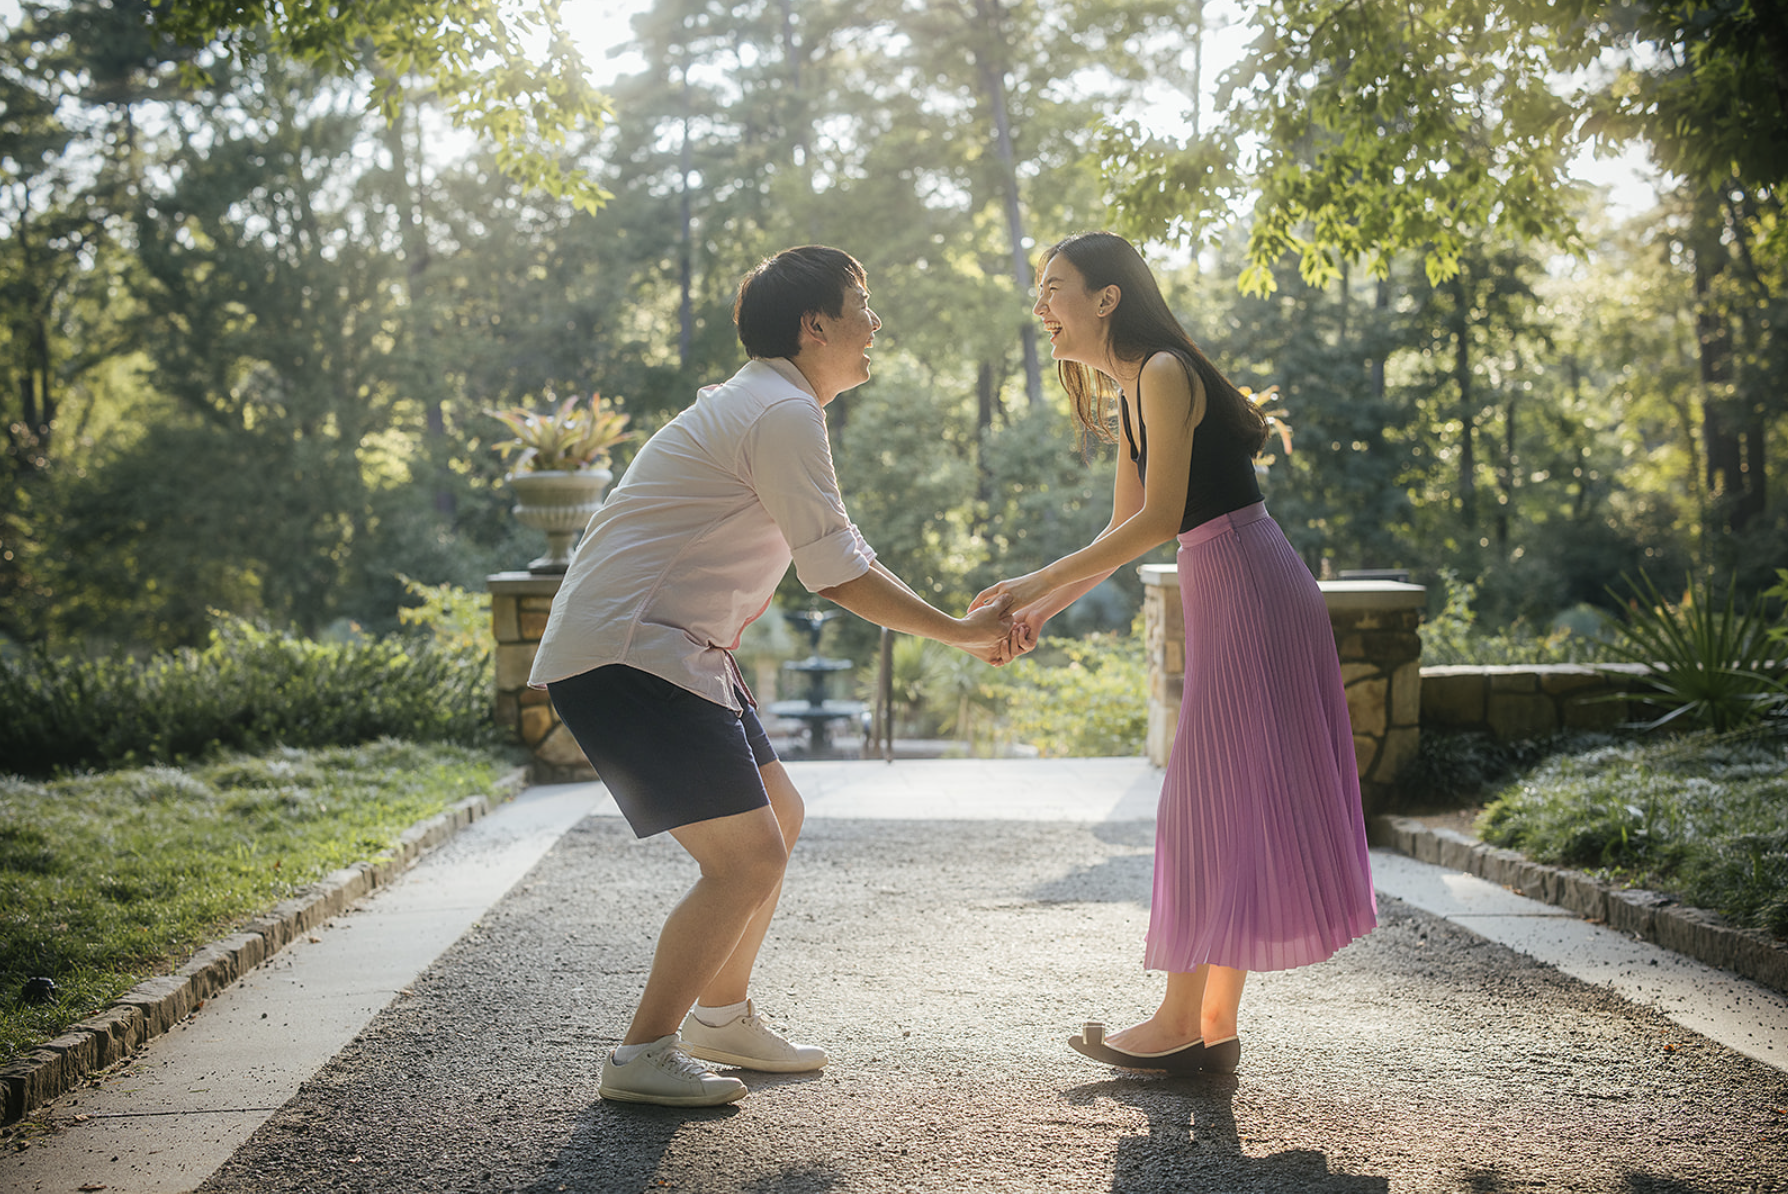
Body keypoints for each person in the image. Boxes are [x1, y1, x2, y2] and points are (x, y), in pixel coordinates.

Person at [530, 245, 1012, 1107]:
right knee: (747, 859)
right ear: (814, 325)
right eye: (862, 305)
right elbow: (835, 571)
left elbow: (834, 553)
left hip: (667, 649)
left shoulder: (769, 402)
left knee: (777, 816)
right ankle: (641, 1053)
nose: (875, 325)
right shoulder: (779, 410)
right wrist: (961, 633)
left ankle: (722, 1016)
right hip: (628, 651)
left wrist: (953, 629)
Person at [972, 231, 1377, 1075]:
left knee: (1203, 800)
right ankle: (1209, 1031)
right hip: (1230, 583)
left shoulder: (1161, 370)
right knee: (1225, 802)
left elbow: (1160, 522)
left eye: (1054, 287)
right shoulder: (1131, 390)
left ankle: (1177, 1022)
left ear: (1107, 296)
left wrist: (1028, 580)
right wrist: (1042, 607)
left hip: (1254, 588)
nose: (1041, 306)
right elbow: (1125, 535)